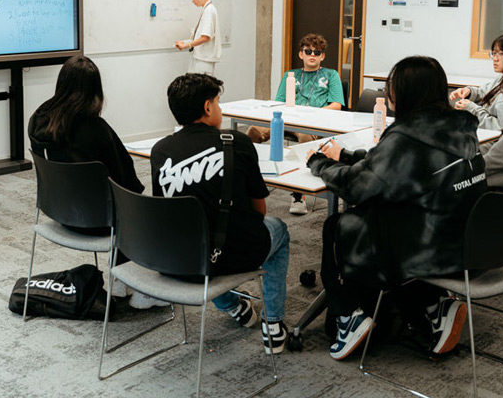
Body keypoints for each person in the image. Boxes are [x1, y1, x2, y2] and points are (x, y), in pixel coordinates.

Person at [307, 56, 486, 360]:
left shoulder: (406, 135)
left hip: (431, 247)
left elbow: (360, 187)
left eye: (390, 88)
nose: (386, 95)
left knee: (341, 225)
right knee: (383, 219)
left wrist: (321, 163)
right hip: (469, 239)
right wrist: (351, 156)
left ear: (403, 94)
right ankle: (434, 305)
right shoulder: (460, 126)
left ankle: (349, 315)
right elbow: (400, 168)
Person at [151, 73, 290, 354]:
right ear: (207, 107)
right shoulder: (236, 142)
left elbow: (166, 210)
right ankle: (273, 325)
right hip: (227, 254)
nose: (221, 109)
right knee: (280, 231)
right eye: (218, 102)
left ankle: (233, 306)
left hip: (176, 257)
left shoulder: (160, 150)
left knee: (204, 237)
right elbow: (259, 213)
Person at [28, 56, 155, 308]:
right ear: (95, 91)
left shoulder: (38, 120)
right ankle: (135, 286)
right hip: (99, 222)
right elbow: (127, 181)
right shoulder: (96, 129)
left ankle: (122, 281)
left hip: (60, 213)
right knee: (146, 206)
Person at [248, 33, 345, 215]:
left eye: (317, 52)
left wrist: (311, 113)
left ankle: (299, 194)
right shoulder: (290, 75)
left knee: (306, 138)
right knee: (253, 131)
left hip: (312, 123)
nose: (312, 55)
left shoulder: (331, 75)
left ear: (322, 56)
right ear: (301, 54)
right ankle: (250, 183)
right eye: (308, 51)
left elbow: (336, 106)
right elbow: (279, 102)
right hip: (287, 118)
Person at [451, 31, 503, 130]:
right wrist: (469, 91)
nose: (495, 59)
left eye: (501, 53)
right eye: (494, 53)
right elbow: (484, 91)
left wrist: (472, 109)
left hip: (493, 142)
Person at [174, 0, 221, 74]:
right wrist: (185, 42)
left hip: (204, 61)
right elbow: (201, 36)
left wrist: (187, 45)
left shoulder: (209, 11)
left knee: (199, 88)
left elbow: (205, 37)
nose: (192, 1)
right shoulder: (207, 9)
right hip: (200, 58)